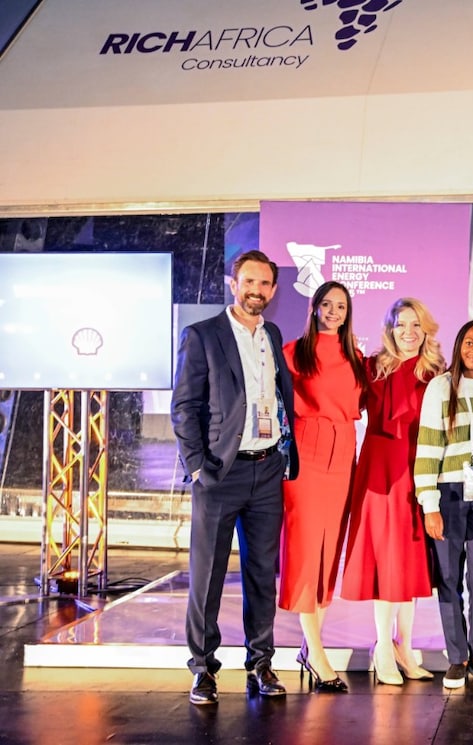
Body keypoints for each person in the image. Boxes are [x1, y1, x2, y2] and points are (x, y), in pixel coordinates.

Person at [171, 249, 299, 705]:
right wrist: (198, 466)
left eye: (265, 284)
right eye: (249, 282)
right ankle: (203, 668)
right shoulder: (203, 335)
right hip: (219, 473)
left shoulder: (273, 335)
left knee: (263, 574)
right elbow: (183, 407)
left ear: (273, 289)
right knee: (206, 576)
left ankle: (261, 663)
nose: (256, 291)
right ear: (233, 283)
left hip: (266, 470)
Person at [341, 297, 444, 685]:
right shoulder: (372, 367)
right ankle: (383, 645)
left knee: (410, 564)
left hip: (418, 473)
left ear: (426, 330)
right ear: (390, 329)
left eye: (416, 324)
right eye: (401, 324)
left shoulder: (436, 373)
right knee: (386, 562)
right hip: (380, 472)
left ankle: (405, 646)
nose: (409, 332)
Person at [279, 281, 366, 693]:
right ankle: (316, 651)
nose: (334, 311)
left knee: (330, 551)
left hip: (343, 455)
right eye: (327, 304)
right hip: (307, 456)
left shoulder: (356, 357)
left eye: (341, 306)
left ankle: (309, 646)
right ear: (314, 308)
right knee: (306, 548)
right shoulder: (294, 352)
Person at [414, 320, 473, 689]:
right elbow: (428, 446)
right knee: (448, 578)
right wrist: (428, 503)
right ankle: (457, 657)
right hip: (447, 494)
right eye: (469, 342)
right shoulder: (440, 386)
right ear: (458, 345)